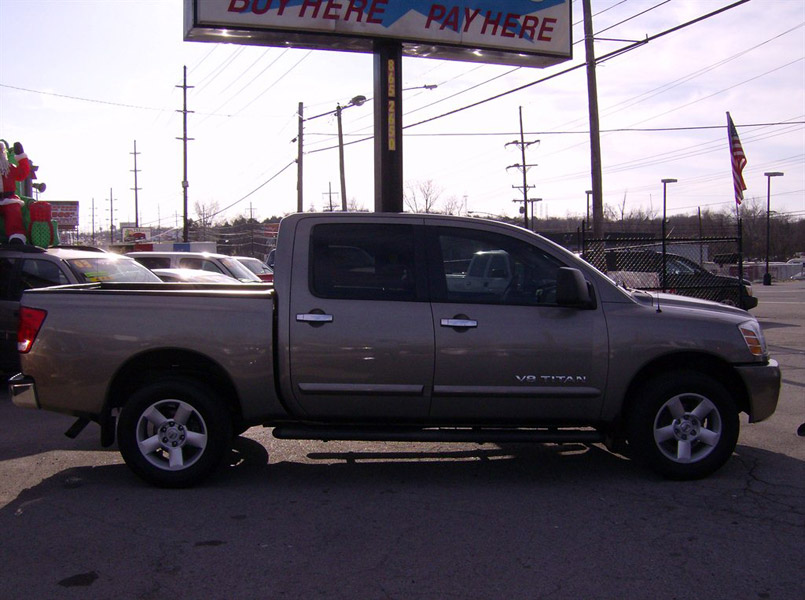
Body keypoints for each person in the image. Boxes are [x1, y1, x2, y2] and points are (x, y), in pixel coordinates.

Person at [0, 141, 30, 244]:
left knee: (13, 211)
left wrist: (21, 156)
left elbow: (21, 173)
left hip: (9, 198)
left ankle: (16, 237)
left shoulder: (9, 167)